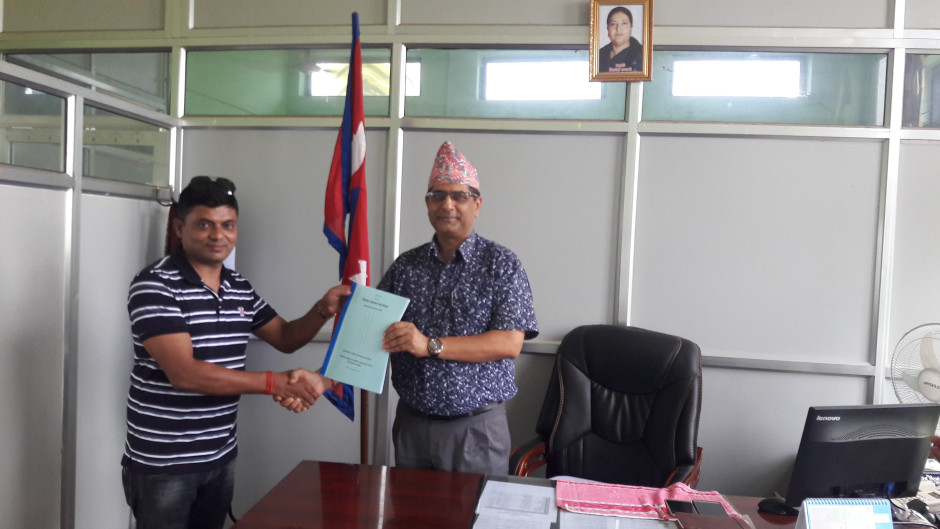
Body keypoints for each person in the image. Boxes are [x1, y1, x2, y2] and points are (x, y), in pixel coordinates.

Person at [122, 175, 350, 529]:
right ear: (180, 228)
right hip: (165, 464)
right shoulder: (155, 285)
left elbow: (285, 337)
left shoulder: (238, 287)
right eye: (204, 225)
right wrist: (276, 383)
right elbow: (185, 374)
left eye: (228, 225)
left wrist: (323, 309)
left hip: (220, 457)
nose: (218, 235)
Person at [379, 141, 539, 475]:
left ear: (477, 205)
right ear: (427, 204)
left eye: (459, 196)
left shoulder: (501, 264)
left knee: (475, 508)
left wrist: (429, 345)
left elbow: (509, 343)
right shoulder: (406, 266)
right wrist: (324, 378)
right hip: (412, 427)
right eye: (437, 196)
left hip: (475, 429)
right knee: (410, 507)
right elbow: (374, 328)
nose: (447, 205)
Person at [598, 6, 643, 73]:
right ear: (608, 28)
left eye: (624, 23)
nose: (618, 29)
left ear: (631, 27)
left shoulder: (642, 54)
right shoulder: (599, 55)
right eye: (613, 24)